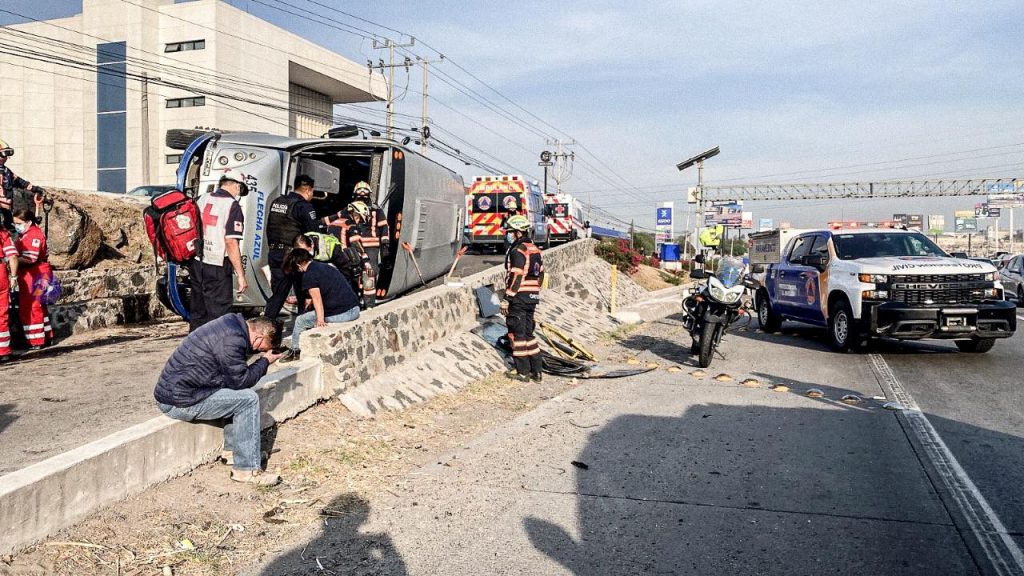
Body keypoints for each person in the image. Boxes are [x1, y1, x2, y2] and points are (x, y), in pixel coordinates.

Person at [155, 314, 286, 486]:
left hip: (179, 393)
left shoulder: (231, 325)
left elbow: (234, 381)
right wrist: (265, 361)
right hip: (178, 402)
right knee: (248, 399)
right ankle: (246, 469)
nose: (259, 351)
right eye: (263, 347)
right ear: (259, 336)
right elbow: (241, 382)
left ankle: (234, 452)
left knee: (237, 397)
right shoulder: (233, 340)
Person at [190, 172, 249, 332]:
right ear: (237, 185)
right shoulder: (232, 205)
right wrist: (241, 275)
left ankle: (195, 348)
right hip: (217, 264)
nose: (239, 194)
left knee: (198, 311)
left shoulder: (203, 198)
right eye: (240, 189)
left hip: (197, 261)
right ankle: (218, 350)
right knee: (219, 314)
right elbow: (230, 242)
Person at [280, 248, 360, 362]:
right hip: (354, 308)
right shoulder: (322, 266)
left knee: (300, 320)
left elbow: (317, 300)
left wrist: (320, 320)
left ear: (298, 265)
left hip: (346, 313)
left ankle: (294, 351)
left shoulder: (309, 275)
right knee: (309, 316)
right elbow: (326, 291)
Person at [264, 175, 323, 320]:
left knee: (278, 293)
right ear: (309, 190)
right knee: (303, 291)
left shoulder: (277, 202)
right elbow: (314, 233)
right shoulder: (303, 206)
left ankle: (266, 323)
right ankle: (301, 326)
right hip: (293, 255)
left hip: (274, 252)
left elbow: (269, 227)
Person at [501, 214, 545, 382]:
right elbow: (541, 274)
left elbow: (516, 276)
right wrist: (534, 291)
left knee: (518, 336)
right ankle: (537, 371)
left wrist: (507, 298)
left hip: (519, 297)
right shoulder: (535, 249)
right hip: (532, 297)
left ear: (518, 232)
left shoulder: (518, 250)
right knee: (529, 334)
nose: (510, 234)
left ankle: (523, 372)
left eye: (511, 232)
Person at [12, 208, 54, 349]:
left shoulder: (33, 235)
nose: (16, 226)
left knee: (32, 306)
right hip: (32, 274)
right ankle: (47, 335)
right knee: (39, 305)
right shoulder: (25, 234)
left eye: (18, 223)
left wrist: (12, 260)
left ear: (28, 222)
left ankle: (36, 340)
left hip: (36, 274)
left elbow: (31, 258)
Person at [326, 201, 374, 308]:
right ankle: (357, 306)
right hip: (345, 260)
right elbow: (357, 245)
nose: (359, 221)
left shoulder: (333, 223)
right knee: (352, 285)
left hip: (331, 260)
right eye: (360, 218)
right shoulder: (350, 225)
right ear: (355, 214)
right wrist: (366, 261)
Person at [351, 181, 391, 298]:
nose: (362, 194)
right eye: (360, 191)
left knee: (369, 272)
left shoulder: (376, 210)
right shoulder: (350, 209)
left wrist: (385, 247)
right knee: (354, 270)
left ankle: (368, 299)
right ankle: (356, 295)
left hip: (372, 247)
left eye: (365, 191)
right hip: (355, 244)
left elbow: (384, 228)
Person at [293, 231, 363, 298]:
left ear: (312, 245)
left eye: (306, 251)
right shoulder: (300, 245)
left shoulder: (330, 247)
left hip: (336, 265)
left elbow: (345, 269)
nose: (304, 255)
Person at [0, 139, 42, 232]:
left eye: (7, 154)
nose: (6, 158)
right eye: (3, 154)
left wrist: (34, 189)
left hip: (7, 211)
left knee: (10, 232)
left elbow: (20, 182)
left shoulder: (7, 172)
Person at [0, 224, 18, 362]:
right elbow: (12, 257)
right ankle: (4, 351)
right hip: (1, 273)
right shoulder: (3, 233)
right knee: (2, 313)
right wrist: (13, 277)